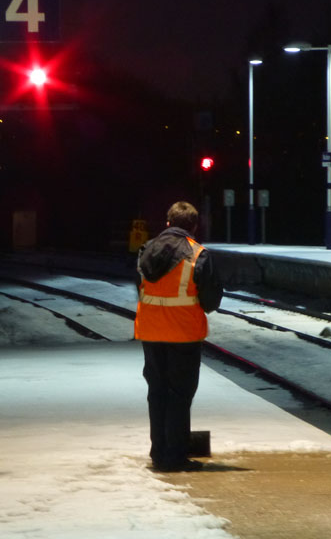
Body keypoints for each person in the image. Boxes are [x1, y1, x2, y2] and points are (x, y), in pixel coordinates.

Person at [134, 201, 223, 472]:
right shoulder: (199, 255)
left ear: (168, 223)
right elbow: (210, 301)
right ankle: (175, 456)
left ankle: (158, 451)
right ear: (194, 226)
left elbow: (140, 289)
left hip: (150, 332)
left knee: (157, 392)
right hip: (183, 334)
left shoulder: (146, 250)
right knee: (179, 395)